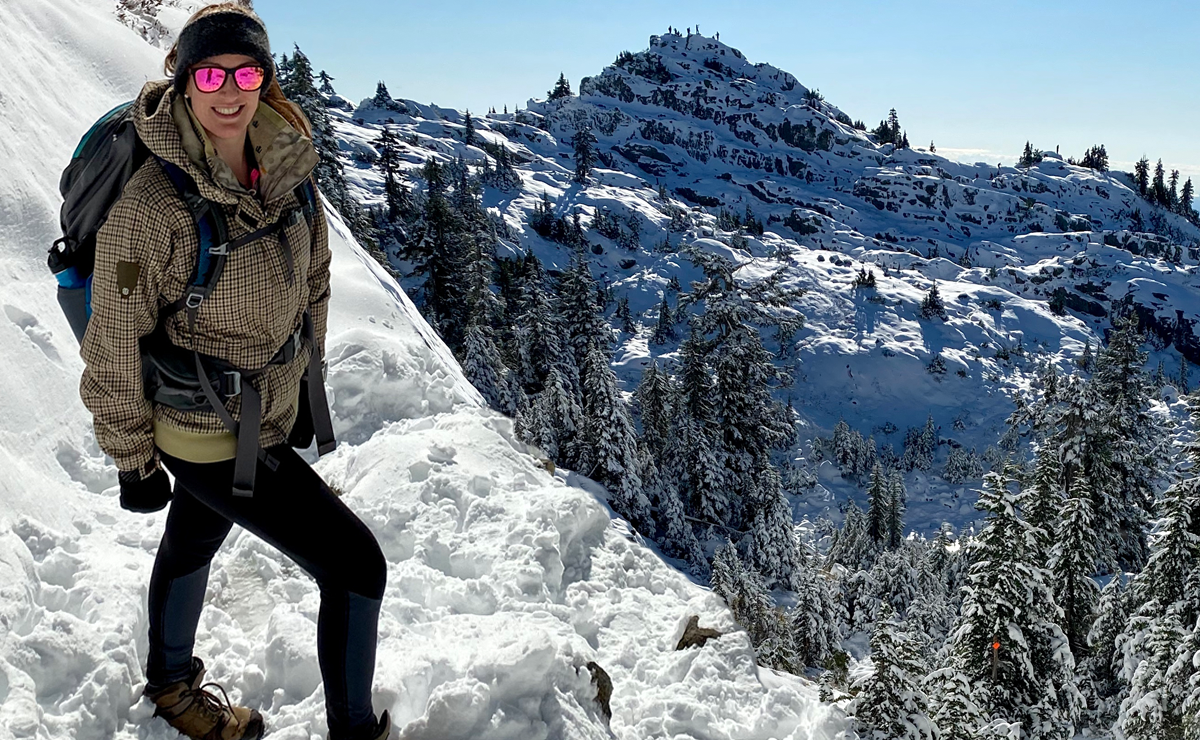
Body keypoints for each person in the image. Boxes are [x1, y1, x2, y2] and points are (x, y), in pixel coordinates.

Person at [77, 4, 388, 740]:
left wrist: (306, 384)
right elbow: (112, 337)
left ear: (265, 79)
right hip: (200, 429)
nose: (229, 89)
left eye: (245, 71)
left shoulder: (285, 165)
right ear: (183, 81)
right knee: (356, 568)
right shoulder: (151, 208)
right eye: (210, 72)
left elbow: (314, 276)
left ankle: (172, 686)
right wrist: (132, 458)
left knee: (195, 534)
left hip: (262, 411)